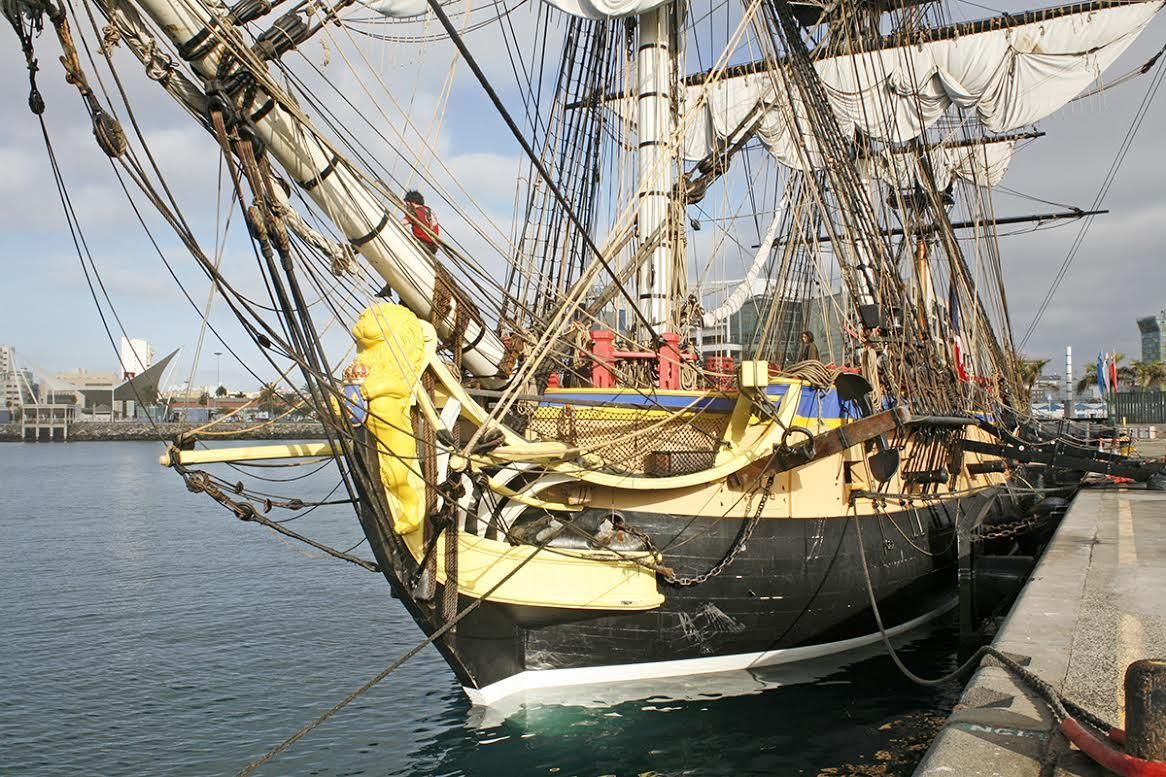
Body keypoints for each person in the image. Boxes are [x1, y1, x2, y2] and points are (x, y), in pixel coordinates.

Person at [403, 190, 440, 255]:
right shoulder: (429, 210)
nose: (407, 206)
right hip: (434, 246)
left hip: (423, 245)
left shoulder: (415, 213)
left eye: (407, 204)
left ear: (413, 202)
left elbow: (401, 223)